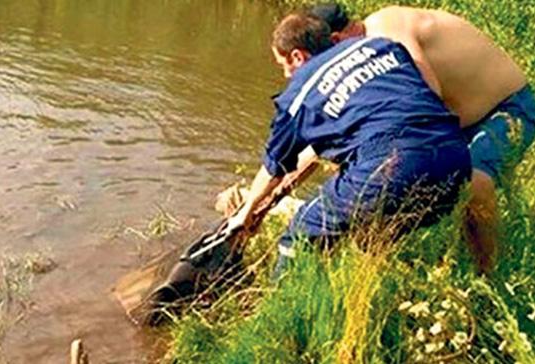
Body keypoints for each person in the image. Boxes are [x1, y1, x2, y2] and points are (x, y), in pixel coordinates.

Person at [227, 12, 471, 278]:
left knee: (301, 232)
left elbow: (274, 167)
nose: (286, 75)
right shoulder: (382, 46)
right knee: (371, 235)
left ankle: (280, 311)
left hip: (392, 163)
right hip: (456, 159)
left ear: (298, 56)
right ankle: (378, 295)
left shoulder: (301, 92)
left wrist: (246, 212)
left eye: (282, 65)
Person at [309, 2, 535, 273]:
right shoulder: (366, 55)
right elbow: (321, 139)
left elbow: (428, 94)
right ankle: (374, 277)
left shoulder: (385, 30)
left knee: (475, 181)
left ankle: (490, 275)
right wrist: (260, 201)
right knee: (377, 183)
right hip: (455, 121)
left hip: (507, 107)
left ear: (336, 40)